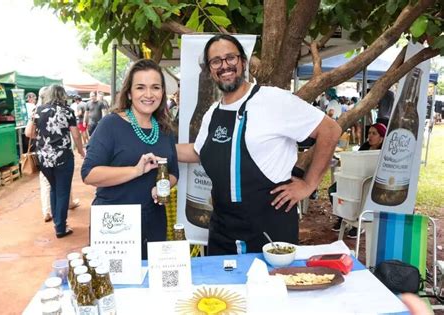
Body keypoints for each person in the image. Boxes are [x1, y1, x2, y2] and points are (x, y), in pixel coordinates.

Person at [176, 34, 341, 255]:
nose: (224, 66)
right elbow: (198, 151)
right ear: (209, 70)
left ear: (243, 62)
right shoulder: (212, 113)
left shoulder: (273, 99)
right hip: (222, 229)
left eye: (230, 58)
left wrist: (309, 184)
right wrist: (152, 147)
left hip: (270, 226)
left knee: (270, 288)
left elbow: (330, 130)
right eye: (216, 61)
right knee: (225, 290)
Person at [81, 59, 179, 259]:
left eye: (155, 87)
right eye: (140, 87)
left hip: (154, 220)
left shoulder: (165, 129)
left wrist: (162, 185)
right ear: (129, 93)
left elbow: (174, 172)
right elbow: (89, 174)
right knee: (115, 285)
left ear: (162, 93)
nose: (149, 94)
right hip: (116, 224)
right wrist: (136, 170)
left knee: (152, 281)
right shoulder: (111, 125)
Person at [25, 85, 85, 238]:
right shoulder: (67, 111)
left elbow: (28, 133)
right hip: (63, 157)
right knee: (63, 191)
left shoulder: (37, 111)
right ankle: (60, 227)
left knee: (54, 189)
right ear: (62, 95)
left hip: (44, 158)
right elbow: (76, 135)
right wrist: (81, 151)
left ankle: (57, 223)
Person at [329, 122, 387, 238]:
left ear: (381, 137)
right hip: (355, 179)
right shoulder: (365, 146)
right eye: (369, 133)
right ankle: (342, 217)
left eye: (374, 134)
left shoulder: (385, 151)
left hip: (371, 183)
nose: (370, 136)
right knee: (333, 190)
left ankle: (357, 225)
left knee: (361, 196)